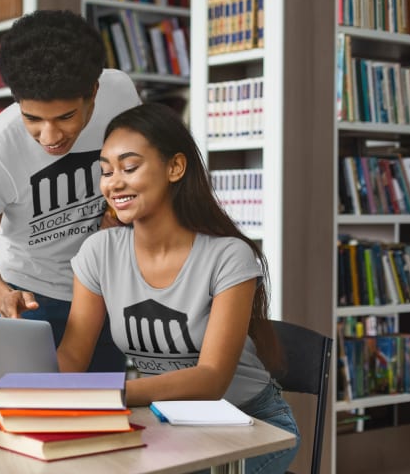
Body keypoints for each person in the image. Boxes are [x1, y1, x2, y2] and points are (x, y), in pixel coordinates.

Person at [57, 103, 299, 473]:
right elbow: (72, 356)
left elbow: (210, 380)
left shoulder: (228, 256)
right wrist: (32, 389)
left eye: (130, 167)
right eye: (106, 171)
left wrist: (109, 393)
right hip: (168, 422)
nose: (114, 182)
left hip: (252, 425)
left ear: (175, 167)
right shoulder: (99, 251)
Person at [0, 9, 141, 372]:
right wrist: (2, 296)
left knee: (102, 412)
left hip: (106, 286)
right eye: (33, 119)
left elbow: (141, 164)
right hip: (31, 297)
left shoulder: (119, 92)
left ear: (93, 92)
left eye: (66, 117)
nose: (50, 136)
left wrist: (119, 215)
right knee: (28, 412)